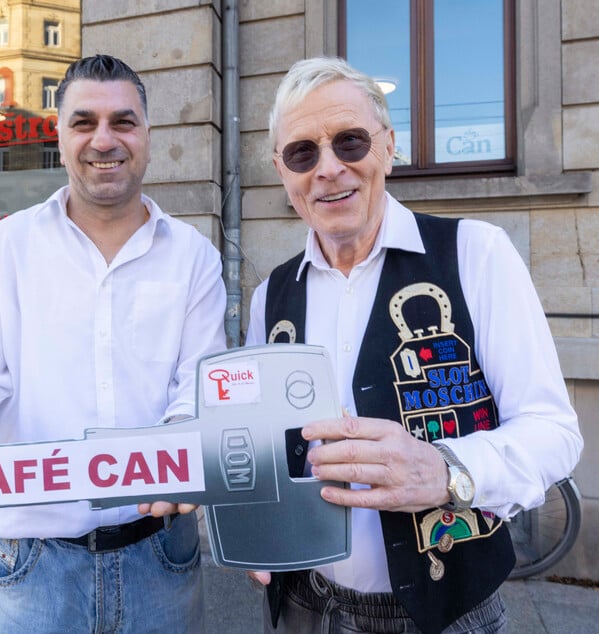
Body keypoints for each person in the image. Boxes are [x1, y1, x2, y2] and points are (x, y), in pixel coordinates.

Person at [0, 55, 227, 632]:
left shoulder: (193, 257)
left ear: (147, 135)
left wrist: (183, 441)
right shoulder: (5, 247)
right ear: (58, 137)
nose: (104, 139)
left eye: (124, 122)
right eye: (84, 122)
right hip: (29, 566)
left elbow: (199, 388)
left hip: (161, 557)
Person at [247, 57, 582, 634]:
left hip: (448, 612)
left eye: (349, 142)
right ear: (283, 170)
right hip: (306, 605)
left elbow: (554, 431)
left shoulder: (476, 252)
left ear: (389, 146)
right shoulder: (271, 294)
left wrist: (447, 471)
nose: (328, 169)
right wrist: (252, 522)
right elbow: (261, 443)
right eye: (303, 153)